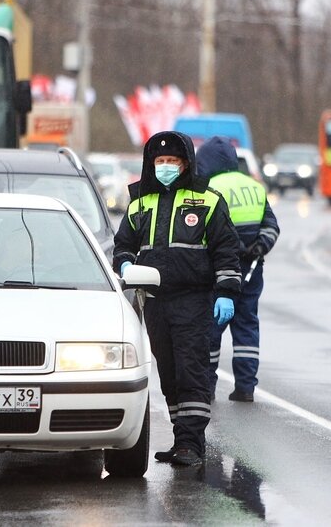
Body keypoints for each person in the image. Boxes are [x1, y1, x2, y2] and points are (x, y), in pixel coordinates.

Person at [113, 131, 243, 466]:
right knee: (168, 372)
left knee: (191, 369)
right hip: (154, 301)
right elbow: (123, 244)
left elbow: (227, 250)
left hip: (192, 300)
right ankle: (179, 437)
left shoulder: (207, 200)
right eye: (160, 161)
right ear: (151, 164)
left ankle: (191, 443)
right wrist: (126, 262)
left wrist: (226, 292)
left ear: (185, 163)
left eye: (172, 161)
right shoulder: (140, 202)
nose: (166, 166)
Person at [196, 136, 280, 403]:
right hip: (252, 269)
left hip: (218, 271)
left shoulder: (207, 188)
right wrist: (259, 247)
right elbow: (271, 226)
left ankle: (207, 386)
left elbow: (201, 232)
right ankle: (245, 387)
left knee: (211, 328)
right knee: (246, 327)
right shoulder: (254, 187)